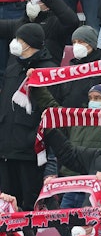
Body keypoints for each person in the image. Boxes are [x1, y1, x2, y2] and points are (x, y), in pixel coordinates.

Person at [0, 22, 61, 206]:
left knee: (28, 205)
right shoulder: (13, 67)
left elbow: (51, 111)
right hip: (6, 149)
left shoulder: (49, 70)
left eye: (20, 39)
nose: (15, 42)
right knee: (7, 206)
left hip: (30, 153)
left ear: (30, 43)